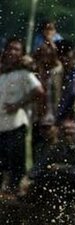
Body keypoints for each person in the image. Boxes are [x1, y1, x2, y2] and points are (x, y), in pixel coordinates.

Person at [0, 37, 43, 197]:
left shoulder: (25, 74)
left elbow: (38, 90)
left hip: (16, 123)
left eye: (16, 49)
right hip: (1, 125)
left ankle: (17, 190)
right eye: (10, 48)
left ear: (22, 54)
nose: (12, 52)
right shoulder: (3, 75)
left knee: (16, 161)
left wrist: (18, 104)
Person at [27, 116, 75, 208]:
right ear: (59, 131)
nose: (67, 132)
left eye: (71, 129)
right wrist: (28, 178)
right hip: (61, 188)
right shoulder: (57, 147)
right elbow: (41, 164)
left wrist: (61, 168)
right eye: (65, 129)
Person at [31, 40, 63, 162]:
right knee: (37, 145)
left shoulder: (57, 70)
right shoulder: (35, 70)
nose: (46, 56)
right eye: (43, 53)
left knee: (54, 146)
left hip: (53, 113)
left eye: (48, 54)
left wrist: (50, 42)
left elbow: (56, 60)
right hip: (38, 115)